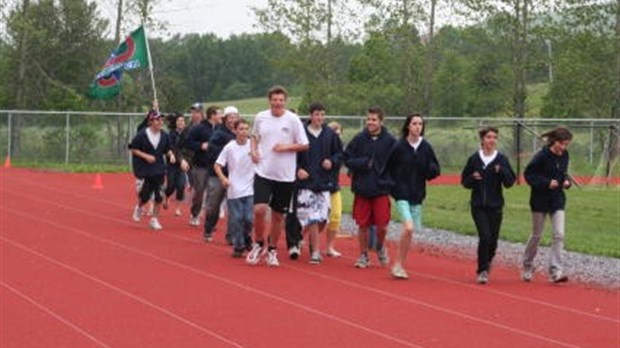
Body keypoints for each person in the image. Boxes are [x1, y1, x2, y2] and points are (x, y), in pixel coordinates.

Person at [246, 86, 309, 267]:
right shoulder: (261, 117)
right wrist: (253, 151)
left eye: (281, 100)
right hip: (263, 171)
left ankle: (272, 249)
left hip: (285, 176)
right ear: (270, 100)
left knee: (278, 216)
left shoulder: (293, 120)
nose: (278, 103)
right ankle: (258, 244)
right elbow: (254, 136)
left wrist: (285, 147)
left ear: (285, 101)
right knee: (259, 210)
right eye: (275, 100)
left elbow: (304, 144)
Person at [344, 106, 397, 269]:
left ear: (381, 121)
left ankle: (380, 247)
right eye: (368, 119)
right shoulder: (359, 139)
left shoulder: (390, 141)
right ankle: (363, 255)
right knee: (363, 225)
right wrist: (363, 163)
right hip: (362, 188)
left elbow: (397, 164)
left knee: (382, 225)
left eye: (374, 120)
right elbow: (347, 158)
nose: (370, 122)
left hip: (381, 189)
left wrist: (390, 182)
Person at [388, 113, 440, 279]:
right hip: (401, 193)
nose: (418, 127)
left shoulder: (426, 147)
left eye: (420, 124)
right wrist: (391, 187)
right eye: (414, 123)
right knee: (408, 227)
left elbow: (435, 168)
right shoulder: (399, 146)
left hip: (417, 193)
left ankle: (400, 264)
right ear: (408, 126)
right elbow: (388, 168)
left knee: (410, 232)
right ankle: (396, 264)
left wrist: (430, 169)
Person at [461, 126, 515, 284]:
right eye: (489, 137)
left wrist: (502, 171)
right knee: (485, 236)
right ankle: (482, 270)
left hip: (496, 206)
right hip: (478, 205)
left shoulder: (501, 159)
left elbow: (510, 182)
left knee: (493, 240)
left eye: (495, 137)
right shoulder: (474, 159)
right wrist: (473, 177)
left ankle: (488, 260)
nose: (492, 140)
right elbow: (464, 181)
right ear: (482, 140)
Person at [522, 126, 573, 283]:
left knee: (559, 234)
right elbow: (528, 175)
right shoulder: (541, 156)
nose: (563, 148)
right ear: (554, 142)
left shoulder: (565, 155)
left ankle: (555, 271)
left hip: (557, 200)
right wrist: (546, 183)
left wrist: (567, 182)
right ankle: (527, 265)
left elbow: (564, 174)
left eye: (566, 145)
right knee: (537, 235)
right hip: (539, 200)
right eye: (562, 144)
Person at [295, 102, 342, 264]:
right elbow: (292, 155)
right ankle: (315, 251)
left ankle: (302, 236)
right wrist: (298, 169)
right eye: (316, 114)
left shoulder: (330, 134)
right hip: (306, 183)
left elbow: (339, 154)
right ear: (310, 115)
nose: (319, 118)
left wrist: (332, 161)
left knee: (323, 218)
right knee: (313, 217)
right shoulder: (301, 134)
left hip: (324, 182)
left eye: (322, 114)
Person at [130, 109, 177, 230]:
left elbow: (168, 148)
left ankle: (154, 219)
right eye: (157, 120)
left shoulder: (164, 135)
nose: (160, 122)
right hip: (146, 169)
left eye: (161, 120)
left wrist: (171, 155)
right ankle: (139, 207)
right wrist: (146, 156)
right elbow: (133, 148)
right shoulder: (142, 134)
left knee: (159, 195)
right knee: (145, 195)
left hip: (159, 169)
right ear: (151, 121)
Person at [214, 119, 255, 257]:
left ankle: (246, 237)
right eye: (241, 129)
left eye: (246, 129)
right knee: (237, 219)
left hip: (250, 188)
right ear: (235, 131)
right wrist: (223, 178)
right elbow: (217, 165)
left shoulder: (253, 145)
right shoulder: (230, 147)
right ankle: (239, 246)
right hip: (234, 188)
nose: (244, 132)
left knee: (249, 218)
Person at [203, 106, 240, 242]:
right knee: (214, 205)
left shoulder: (240, 133)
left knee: (234, 207)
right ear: (225, 119)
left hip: (235, 175)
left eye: (235, 117)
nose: (233, 120)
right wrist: (227, 150)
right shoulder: (219, 134)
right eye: (230, 117)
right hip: (218, 174)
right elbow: (211, 151)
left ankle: (231, 235)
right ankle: (208, 228)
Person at [185, 106, 223, 226]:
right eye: (219, 114)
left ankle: (209, 220)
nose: (221, 116)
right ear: (212, 115)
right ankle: (195, 214)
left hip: (215, 166)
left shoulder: (220, 129)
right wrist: (201, 146)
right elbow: (187, 142)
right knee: (200, 192)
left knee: (213, 194)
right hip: (200, 165)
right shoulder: (199, 128)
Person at [163, 112, 190, 216]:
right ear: (175, 123)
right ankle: (166, 196)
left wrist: (186, 160)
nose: (180, 123)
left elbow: (187, 148)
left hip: (183, 163)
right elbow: (170, 147)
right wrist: (171, 155)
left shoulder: (187, 133)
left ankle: (178, 209)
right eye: (178, 121)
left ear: (185, 123)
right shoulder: (171, 133)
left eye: (182, 121)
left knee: (181, 185)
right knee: (171, 185)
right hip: (172, 163)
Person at [325, 121, 345, 257]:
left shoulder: (340, 151)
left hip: (334, 186)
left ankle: (329, 247)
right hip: (319, 186)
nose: (337, 138)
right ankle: (300, 237)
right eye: (334, 135)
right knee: (316, 219)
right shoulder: (322, 147)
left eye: (339, 134)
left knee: (336, 216)